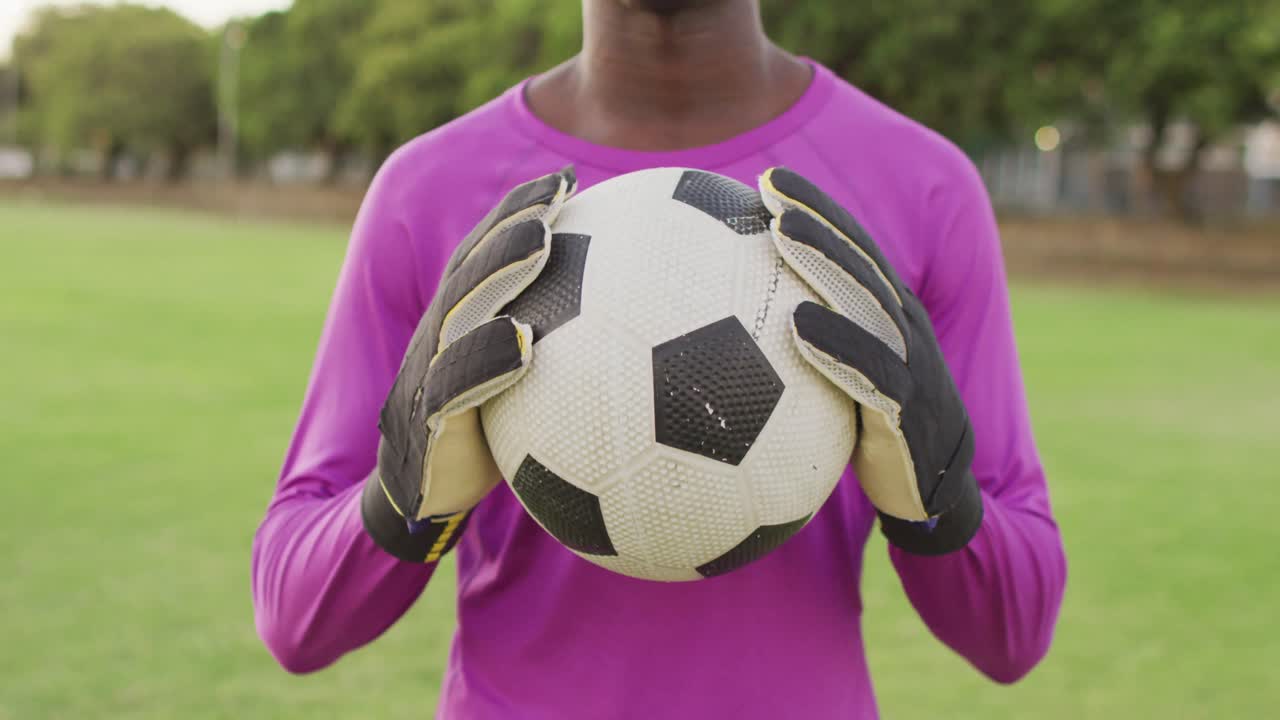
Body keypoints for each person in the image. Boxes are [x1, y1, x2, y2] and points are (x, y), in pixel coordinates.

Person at [251, 1, 1068, 717]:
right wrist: (401, 510)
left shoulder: (921, 185)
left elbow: (1013, 637)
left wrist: (938, 508)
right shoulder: (429, 190)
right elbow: (296, 618)